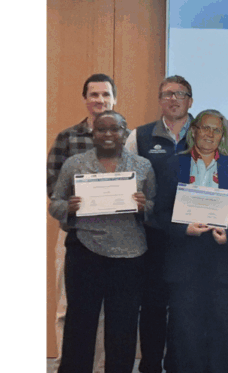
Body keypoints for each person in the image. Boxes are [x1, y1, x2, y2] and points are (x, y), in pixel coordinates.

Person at [49, 109, 154, 373]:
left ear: (125, 132)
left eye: (114, 129)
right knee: (80, 324)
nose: (108, 134)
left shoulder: (142, 166)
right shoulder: (75, 164)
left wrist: (145, 207)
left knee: (123, 326)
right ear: (93, 133)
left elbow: (155, 205)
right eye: (101, 129)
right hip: (85, 252)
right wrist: (69, 208)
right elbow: (55, 204)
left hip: (130, 256)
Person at [157, 109, 228, 373]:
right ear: (194, 130)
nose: (210, 134)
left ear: (222, 135)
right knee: (186, 332)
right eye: (205, 128)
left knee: (224, 332)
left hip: (224, 263)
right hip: (184, 264)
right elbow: (159, 214)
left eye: (216, 129)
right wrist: (183, 229)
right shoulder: (173, 164)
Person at [46, 74, 118, 371]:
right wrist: (77, 203)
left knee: (103, 313)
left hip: (113, 238)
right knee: (68, 307)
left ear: (115, 99)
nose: (100, 100)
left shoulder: (125, 136)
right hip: (74, 236)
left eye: (105, 95)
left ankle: (99, 368)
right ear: (85, 99)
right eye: (94, 94)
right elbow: (52, 186)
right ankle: (67, 365)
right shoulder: (67, 137)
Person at [130, 75, 195, 373]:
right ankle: (151, 365)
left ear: (190, 101)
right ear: (160, 101)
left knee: (185, 308)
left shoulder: (206, 132)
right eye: (167, 94)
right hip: (154, 235)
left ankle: (179, 365)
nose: (174, 99)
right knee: (154, 306)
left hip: (192, 236)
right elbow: (125, 177)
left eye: (180, 94)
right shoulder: (139, 136)